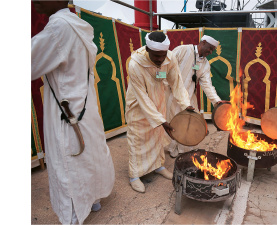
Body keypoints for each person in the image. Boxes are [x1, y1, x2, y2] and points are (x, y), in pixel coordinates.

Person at [31, 1, 115, 224]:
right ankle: (93, 200)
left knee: (69, 164)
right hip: (83, 109)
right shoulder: (78, 24)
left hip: (66, 114)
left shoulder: (58, 27)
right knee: (89, 157)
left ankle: (73, 217)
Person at [125, 31, 194, 193]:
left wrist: (185, 104)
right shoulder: (135, 64)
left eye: (162, 55)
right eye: (156, 56)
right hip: (138, 105)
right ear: (147, 50)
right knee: (138, 139)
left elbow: (176, 82)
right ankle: (134, 175)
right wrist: (161, 120)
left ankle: (158, 166)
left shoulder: (169, 58)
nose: (160, 60)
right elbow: (142, 96)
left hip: (158, 101)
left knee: (156, 136)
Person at [165, 35, 228, 158]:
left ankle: (185, 148)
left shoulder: (205, 64)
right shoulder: (183, 50)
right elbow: (166, 67)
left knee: (190, 122)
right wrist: (166, 86)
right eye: (209, 49)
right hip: (173, 96)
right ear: (203, 42)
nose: (210, 52)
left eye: (212, 51)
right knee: (174, 123)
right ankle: (173, 148)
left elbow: (207, 85)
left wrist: (217, 102)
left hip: (190, 97)